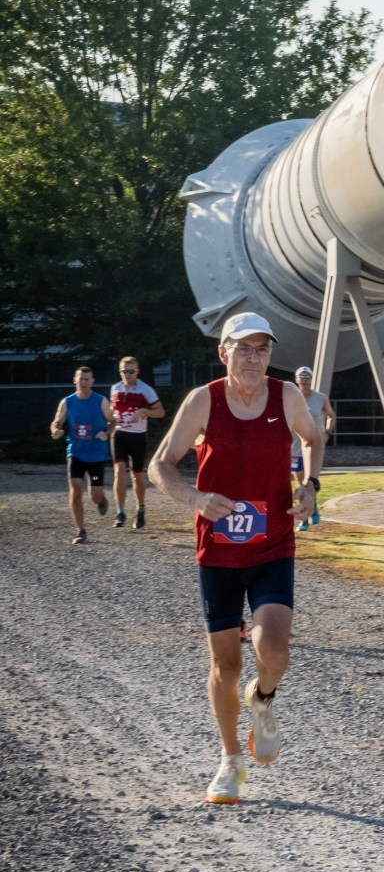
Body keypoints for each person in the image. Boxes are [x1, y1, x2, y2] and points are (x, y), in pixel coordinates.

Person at [149, 311, 324, 805]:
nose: (253, 358)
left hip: (272, 544)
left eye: (262, 349)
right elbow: (160, 464)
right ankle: (230, 762)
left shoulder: (287, 396)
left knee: (274, 650)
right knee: (225, 665)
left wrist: (309, 485)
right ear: (223, 352)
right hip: (217, 551)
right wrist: (196, 499)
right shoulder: (203, 401)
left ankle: (263, 699)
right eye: (243, 348)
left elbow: (313, 439)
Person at [50, 366, 114, 545]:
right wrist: (56, 430)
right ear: (75, 380)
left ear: (92, 381)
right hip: (76, 452)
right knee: (75, 488)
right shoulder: (67, 402)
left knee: (94, 494)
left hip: (96, 456)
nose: (84, 382)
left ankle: (101, 499)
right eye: (81, 379)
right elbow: (57, 421)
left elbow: (113, 421)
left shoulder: (101, 401)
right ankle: (81, 530)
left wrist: (107, 432)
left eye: (87, 379)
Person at [109, 355, 165, 528]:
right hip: (119, 435)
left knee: (136, 475)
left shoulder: (145, 390)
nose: (128, 374)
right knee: (118, 472)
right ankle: (120, 512)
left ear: (137, 372)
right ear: (120, 372)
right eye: (125, 371)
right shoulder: (115, 388)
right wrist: (108, 422)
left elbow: (161, 412)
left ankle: (140, 510)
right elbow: (112, 409)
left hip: (138, 436)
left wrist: (144, 411)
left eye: (131, 371)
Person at [290, 365, 335, 529]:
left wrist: (326, 433)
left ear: (312, 379)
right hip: (295, 445)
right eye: (301, 377)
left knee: (311, 481)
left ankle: (308, 514)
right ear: (296, 380)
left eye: (307, 377)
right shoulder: (291, 398)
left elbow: (331, 415)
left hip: (314, 446)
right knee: (301, 481)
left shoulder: (321, 398)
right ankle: (309, 513)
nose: (305, 381)